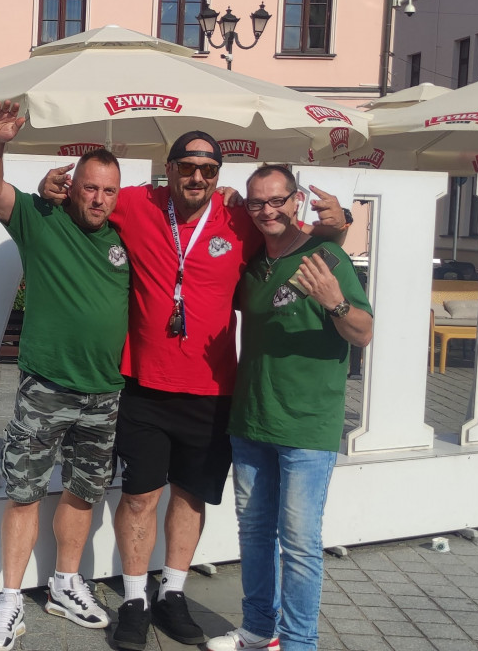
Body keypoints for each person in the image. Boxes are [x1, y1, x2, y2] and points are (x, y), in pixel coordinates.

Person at [39, 134, 349, 649]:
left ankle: (173, 594)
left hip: (212, 389)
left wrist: (341, 223)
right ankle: (135, 600)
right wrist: (51, 189)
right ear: (169, 168)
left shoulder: (239, 217)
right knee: (139, 497)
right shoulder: (137, 203)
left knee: (190, 495)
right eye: (187, 167)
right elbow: (89, 204)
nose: (197, 178)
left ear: (219, 175)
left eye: (208, 170)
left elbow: (299, 236)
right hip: (144, 384)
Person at [0, 101, 130, 651]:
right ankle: (10, 599)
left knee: (85, 491)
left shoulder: (124, 237)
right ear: (73, 186)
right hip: (46, 387)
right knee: (24, 493)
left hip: (105, 393)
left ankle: (65, 583)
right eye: (91, 188)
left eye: (109, 191)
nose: (99, 199)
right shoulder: (41, 220)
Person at [206, 164, 372, 651]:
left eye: (277, 200)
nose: (267, 211)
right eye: (257, 202)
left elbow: (363, 332)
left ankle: (300, 643)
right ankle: (260, 629)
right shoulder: (253, 262)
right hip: (251, 420)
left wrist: (335, 301)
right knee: (255, 534)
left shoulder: (327, 257)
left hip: (307, 426)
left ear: (296, 200)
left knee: (299, 543)